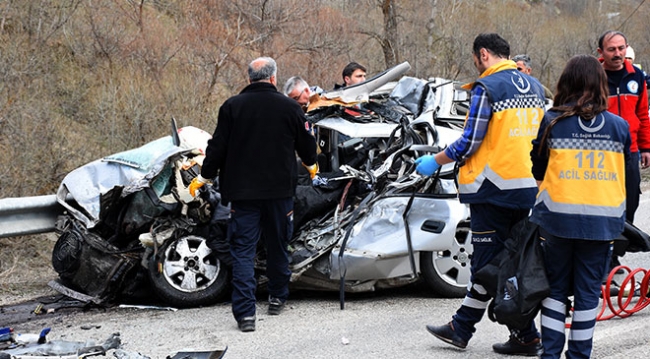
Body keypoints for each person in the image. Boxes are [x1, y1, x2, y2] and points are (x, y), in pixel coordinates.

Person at [416, 33, 546, 356]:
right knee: (509, 263)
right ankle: (518, 333)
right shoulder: (535, 88)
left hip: (491, 190)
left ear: (483, 54)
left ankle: (467, 329)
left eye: (476, 59)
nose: (476, 64)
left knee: (488, 266)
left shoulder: (487, 88)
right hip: (527, 188)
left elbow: (469, 142)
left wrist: (436, 160)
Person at [188, 57, 318, 332]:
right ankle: (277, 298)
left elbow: (217, 147)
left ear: (249, 79)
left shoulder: (232, 107)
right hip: (280, 193)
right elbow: (308, 146)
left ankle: (245, 315)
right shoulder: (289, 107)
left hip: (243, 195)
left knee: (243, 252)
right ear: (273, 79)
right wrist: (312, 166)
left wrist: (204, 176)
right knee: (278, 245)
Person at [530, 54, 630, 359]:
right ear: (601, 84)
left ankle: (550, 354)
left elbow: (538, 170)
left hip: (557, 222)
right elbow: (626, 174)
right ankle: (579, 355)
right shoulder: (619, 127)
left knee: (555, 290)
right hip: (601, 226)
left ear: (567, 83)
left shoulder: (552, 121)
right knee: (587, 294)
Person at [597, 30, 650, 270]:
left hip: (631, 151)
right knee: (603, 202)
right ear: (601, 52)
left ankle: (616, 253)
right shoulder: (593, 76)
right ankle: (601, 253)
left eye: (621, 48)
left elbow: (643, 114)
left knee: (631, 201)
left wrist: (646, 147)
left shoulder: (636, 76)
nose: (617, 54)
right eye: (612, 49)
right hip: (602, 152)